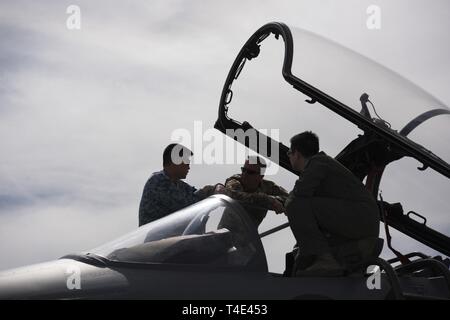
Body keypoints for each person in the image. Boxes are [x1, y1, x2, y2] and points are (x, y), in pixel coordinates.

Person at [285, 131, 379, 276]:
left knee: (294, 204)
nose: (289, 156)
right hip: (358, 220)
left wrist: (282, 202)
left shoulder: (318, 162)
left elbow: (298, 196)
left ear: (297, 153)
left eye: (289, 152)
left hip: (359, 220)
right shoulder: (321, 163)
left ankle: (324, 259)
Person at [138, 143, 219, 226]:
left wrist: (213, 190)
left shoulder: (180, 186)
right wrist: (205, 193)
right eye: (186, 163)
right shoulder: (158, 181)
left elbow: (196, 194)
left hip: (170, 236)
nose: (188, 167)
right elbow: (188, 206)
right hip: (155, 237)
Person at [223, 156, 289, 228]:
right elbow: (234, 195)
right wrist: (269, 200)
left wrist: (278, 201)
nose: (244, 174)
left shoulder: (267, 186)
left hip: (249, 236)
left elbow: (289, 198)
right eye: (243, 170)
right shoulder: (235, 181)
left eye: (250, 172)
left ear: (260, 176)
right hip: (225, 234)